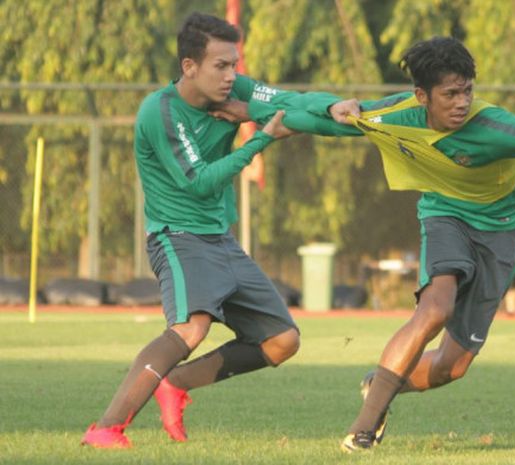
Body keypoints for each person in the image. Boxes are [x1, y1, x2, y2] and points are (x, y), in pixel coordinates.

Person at [214, 36, 515, 452]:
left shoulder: (495, 129)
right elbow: (317, 116)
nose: (462, 102)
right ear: (421, 95)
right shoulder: (393, 115)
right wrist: (245, 106)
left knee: (452, 367)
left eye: (467, 91)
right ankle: (363, 429)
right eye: (450, 94)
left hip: (501, 229)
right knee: (433, 309)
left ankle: (380, 386)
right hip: (443, 214)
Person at [81, 12, 350, 449]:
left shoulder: (237, 89)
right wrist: (261, 137)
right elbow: (200, 181)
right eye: (220, 66)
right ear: (190, 67)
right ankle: (105, 429)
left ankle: (176, 383)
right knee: (191, 328)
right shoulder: (160, 111)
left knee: (282, 341)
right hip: (178, 236)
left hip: (220, 238)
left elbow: (289, 101)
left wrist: (334, 108)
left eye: (234, 65)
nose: (232, 76)